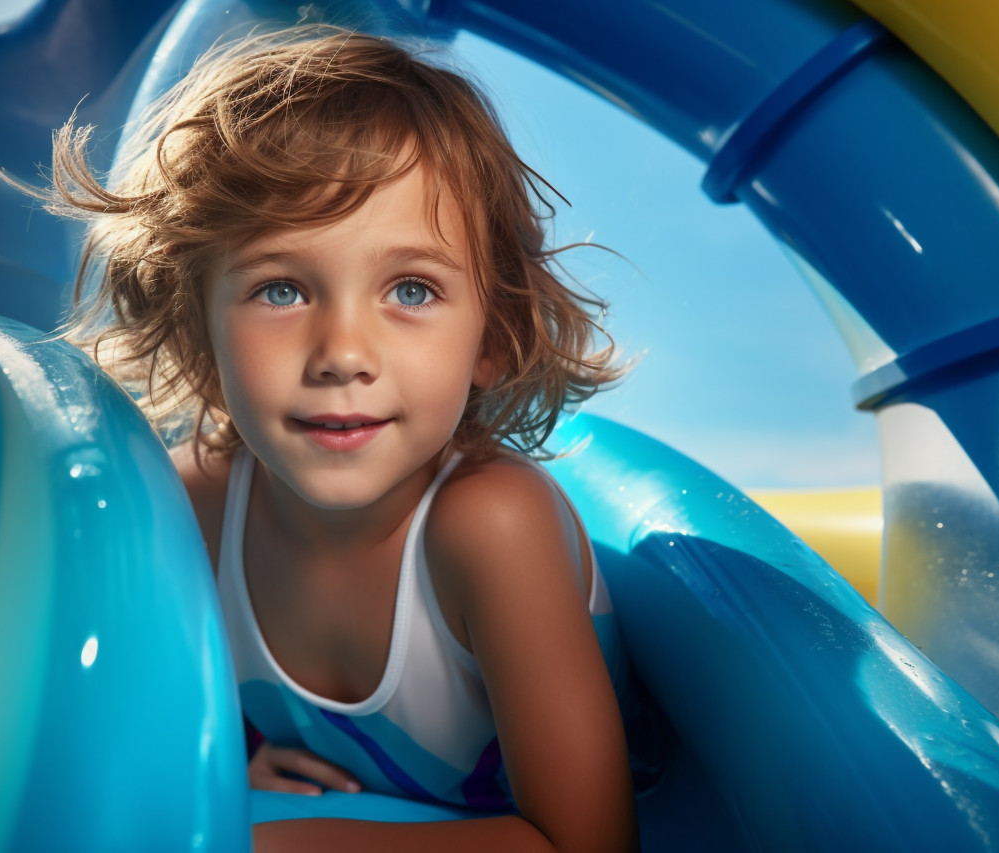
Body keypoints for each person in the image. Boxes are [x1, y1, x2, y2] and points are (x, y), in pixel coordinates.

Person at [44, 25, 637, 853]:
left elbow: (587, 841)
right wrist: (237, 761)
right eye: (282, 289)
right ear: (196, 339)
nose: (343, 354)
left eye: (411, 288)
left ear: (493, 337)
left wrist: (271, 843)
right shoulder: (190, 508)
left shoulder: (489, 527)